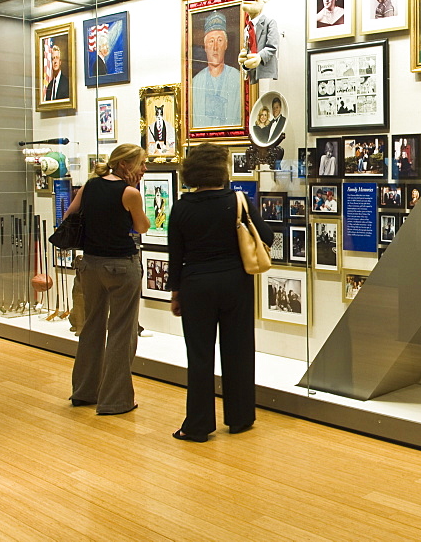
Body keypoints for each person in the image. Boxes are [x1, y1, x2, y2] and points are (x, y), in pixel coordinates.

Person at [167, 144, 274, 442]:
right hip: (235, 283)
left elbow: (175, 255)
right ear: (221, 170)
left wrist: (176, 294)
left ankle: (198, 425)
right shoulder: (236, 200)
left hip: (195, 285)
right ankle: (240, 418)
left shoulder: (182, 206)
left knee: (200, 356)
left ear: (191, 173)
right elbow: (267, 236)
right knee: (238, 350)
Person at [65, 143, 149, 415]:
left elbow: (69, 215)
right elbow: (142, 226)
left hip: (90, 265)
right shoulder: (129, 192)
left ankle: (84, 391)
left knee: (91, 327)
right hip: (122, 267)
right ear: (125, 165)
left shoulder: (90, 186)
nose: (144, 169)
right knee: (122, 332)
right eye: (141, 163)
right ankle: (114, 400)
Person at [191, 11, 241, 128]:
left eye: (219, 40)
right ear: (205, 46)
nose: (215, 47)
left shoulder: (237, 78)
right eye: (211, 41)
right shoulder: (196, 82)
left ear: (226, 44)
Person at [238, 0, 279, 84]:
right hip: (254, 78)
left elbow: (272, 47)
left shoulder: (269, 22)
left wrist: (259, 57)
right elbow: (248, 49)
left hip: (267, 75)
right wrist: (244, 62)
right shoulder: (247, 29)